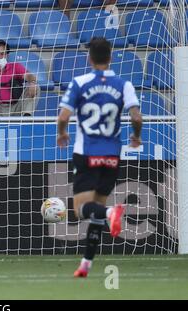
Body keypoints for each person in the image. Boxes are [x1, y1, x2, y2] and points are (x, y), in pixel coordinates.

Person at [56, 37, 143, 277]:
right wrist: (136, 138)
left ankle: (110, 214)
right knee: (97, 209)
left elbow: (63, 116)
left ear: (89, 58)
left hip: (86, 153)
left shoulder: (80, 82)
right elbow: (136, 117)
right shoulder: (123, 84)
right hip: (113, 155)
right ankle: (86, 263)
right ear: (111, 57)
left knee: (82, 209)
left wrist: (62, 134)